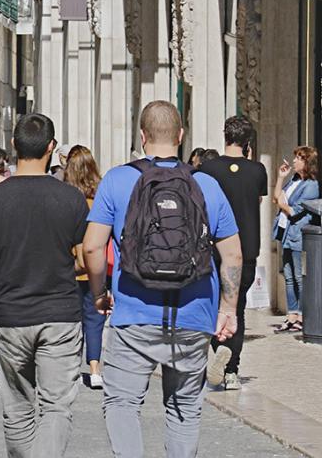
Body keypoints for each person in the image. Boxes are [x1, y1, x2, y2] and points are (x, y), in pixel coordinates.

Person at [82, 101, 242, 458]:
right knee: (184, 410)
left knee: (122, 403)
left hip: (134, 313)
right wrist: (227, 308)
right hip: (194, 314)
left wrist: (100, 293)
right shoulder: (206, 185)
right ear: (181, 136)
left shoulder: (118, 180)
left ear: (142, 137)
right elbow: (232, 254)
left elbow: (92, 247)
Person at [0, 113, 89, 457]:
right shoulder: (71, 199)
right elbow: (84, 259)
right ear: (52, 148)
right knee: (55, 407)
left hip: (10, 316)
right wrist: (98, 290)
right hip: (61, 315)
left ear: (13, 146)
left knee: (18, 409)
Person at [199, 117, 266, 390]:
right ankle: (231, 370)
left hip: (215, 246)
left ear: (225, 136)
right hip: (247, 248)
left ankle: (218, 349)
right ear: (248, 141)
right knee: (235, 307)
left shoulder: (207, 169)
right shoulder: (258, 170)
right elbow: (257, 199)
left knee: (215, 305)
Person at [62, 145, 106, 389]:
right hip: (95, 266)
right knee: (95, 319)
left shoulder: (65, 198)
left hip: (69, 265)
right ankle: (95, 368)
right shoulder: (99, 198)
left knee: (71, 319)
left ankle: (71, 366)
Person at [272, 145, 319, 334]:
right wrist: (281, 177)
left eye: (299, 158)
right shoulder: (294, 181)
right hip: (286, 233)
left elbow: (293, 210)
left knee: (300, 277)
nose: (294, 161)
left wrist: (282, 202)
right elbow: (276, 197)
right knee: (289, 277)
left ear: (307, 162)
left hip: (299, 235)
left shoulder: (311, 186)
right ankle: (291, 315)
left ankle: (301, 315)